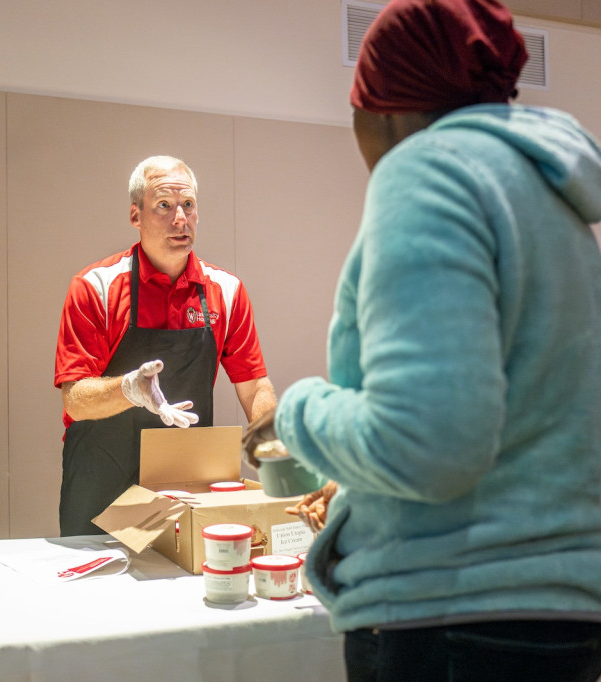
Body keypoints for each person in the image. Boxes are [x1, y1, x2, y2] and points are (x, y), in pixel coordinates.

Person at [243, 1, 601, 679]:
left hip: (451, 611)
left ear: (387, 109)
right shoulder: (551, 197)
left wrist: (296, 413)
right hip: (558, 612)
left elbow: (427, 444)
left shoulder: (425, 170)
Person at [55, 155, 277, 535]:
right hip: (100, 479)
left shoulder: (225, 290)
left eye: (188, 205)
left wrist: (275, 448)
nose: (180, 219)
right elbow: (75, 398)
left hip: (184, 482)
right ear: (135, 215)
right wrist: (129, 388)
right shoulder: (96, 287)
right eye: (164, 206)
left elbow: (253, 384)